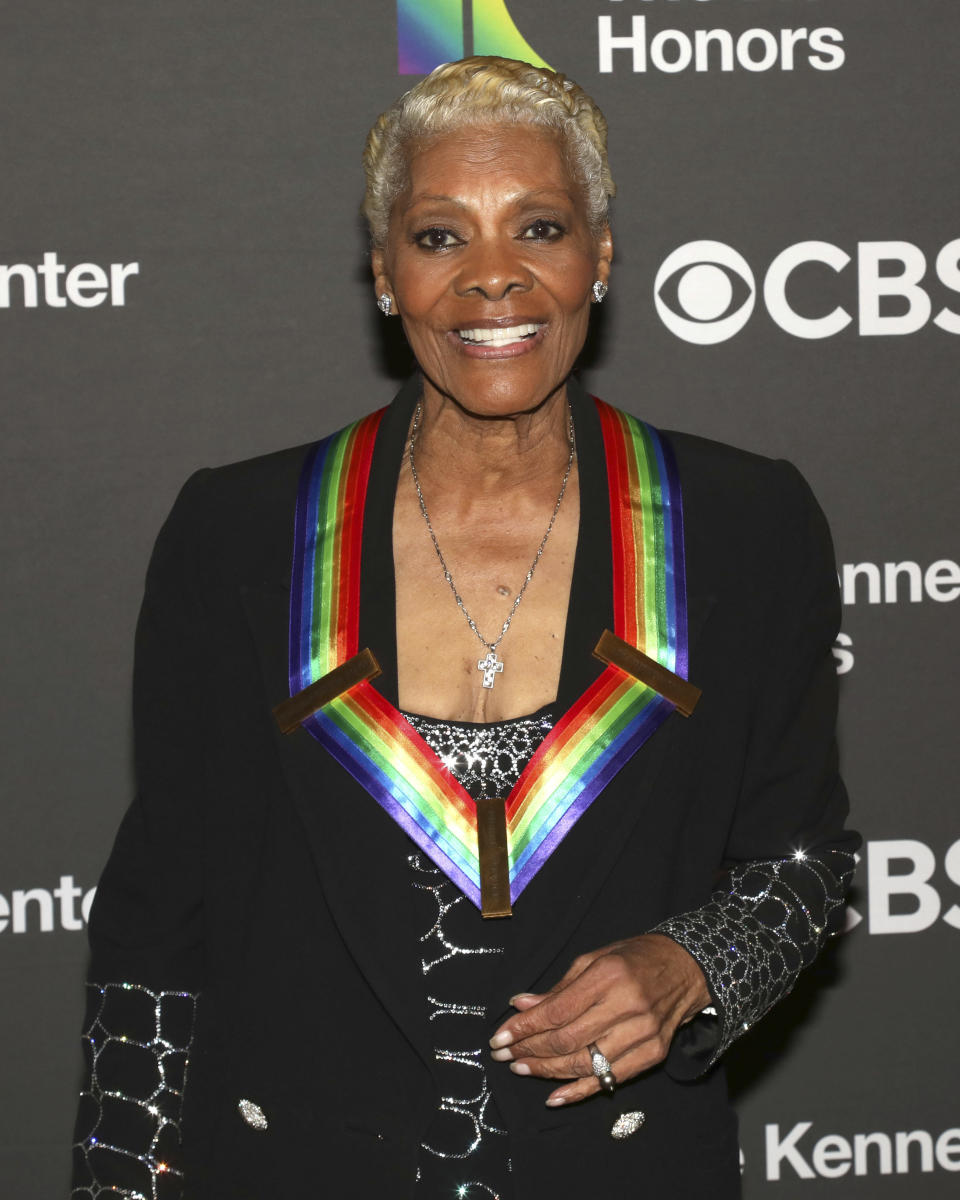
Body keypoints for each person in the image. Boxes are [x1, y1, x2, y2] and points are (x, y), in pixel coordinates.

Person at [72, 56, 858, 1199]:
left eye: (538, 227)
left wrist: (692, 961)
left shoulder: (742, 524)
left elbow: (801, 862)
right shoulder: (241, 532)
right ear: (385, 273)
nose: (496, 280)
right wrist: (117, 1180)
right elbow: (159, 922)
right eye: (442, 238)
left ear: (601, 255)